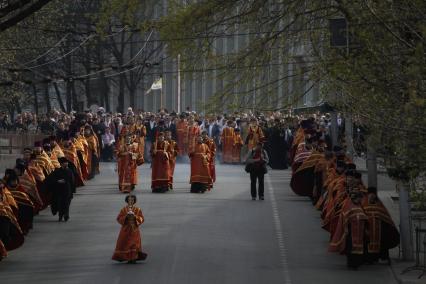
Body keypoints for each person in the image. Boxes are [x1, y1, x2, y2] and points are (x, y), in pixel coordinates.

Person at [112, 195, 147, 264]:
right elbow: (119, 218)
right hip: (125, 230)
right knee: (126, 243)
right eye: (129, 200)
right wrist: (126, 217)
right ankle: (128, 258)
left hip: (134, 230)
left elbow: (141, 218)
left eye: (132, 200)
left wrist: (135, 217)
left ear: (134, 201)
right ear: (127, 201)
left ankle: (133, 258)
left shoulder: (137, 209)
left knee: (134, 243)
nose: (131, 201)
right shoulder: (123, 210)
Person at [44, 157, 75, 222]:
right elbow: (49, 179)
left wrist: (72, 191)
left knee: (67, 204)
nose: (66, 164)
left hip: (67, 190)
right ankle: (60, 215)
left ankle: (66, 215)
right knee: (60, 204)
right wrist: (58, 181)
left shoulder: (69, 171)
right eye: (64, 163)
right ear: (61, 164)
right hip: (59, 191)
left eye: (66, 162)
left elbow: (72, 181)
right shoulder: (57, 171)